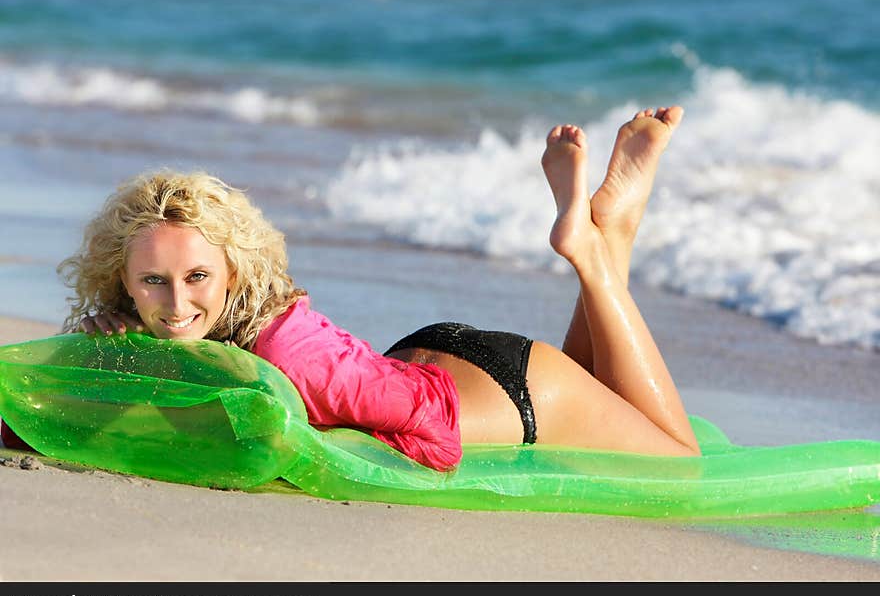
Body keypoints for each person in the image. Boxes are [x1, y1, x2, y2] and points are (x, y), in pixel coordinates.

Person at [20, 106, 699, 470]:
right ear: (124, 283)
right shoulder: (160, 333)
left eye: (198, 277)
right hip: (433, 360)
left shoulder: (290, 357)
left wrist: (321, 450)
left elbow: (431, 429)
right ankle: (612, 223)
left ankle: (591, 251)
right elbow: (39, 419)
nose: (177, 304)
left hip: (510, 396)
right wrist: (118, 363)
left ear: (233, 272)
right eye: (153, 282)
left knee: (679, 459)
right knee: (608, 392)